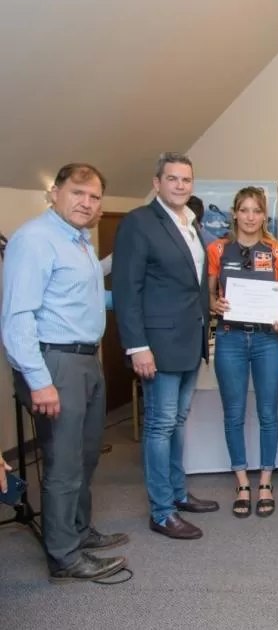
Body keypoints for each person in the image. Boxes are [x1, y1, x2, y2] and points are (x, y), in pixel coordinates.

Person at [1, 163, 128, 582]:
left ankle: (78, 529)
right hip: (55, 362)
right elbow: (17, 318)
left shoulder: (78, 243)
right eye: (78, 193)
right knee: (62, 461)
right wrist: (39, 381)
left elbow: (87, 296)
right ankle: (64, 555)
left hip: (86, 359)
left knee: (87, 454)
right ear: (55, 192)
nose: (86, 203)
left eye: (94, 198)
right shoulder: (35, 240)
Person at [113, 152, 219, 540]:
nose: (179, 185)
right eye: (172, 179)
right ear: (156, 183)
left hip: (189, 342)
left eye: (186, 180)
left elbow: (190, 288)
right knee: (159, 425)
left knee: (175, 422)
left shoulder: (190, 222)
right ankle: (161, 511)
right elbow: (127, 290)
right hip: (156, 345)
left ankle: (176, 493)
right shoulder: (138, 224)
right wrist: (136, 346)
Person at [208, 187, 278, 518]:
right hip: (230, 338)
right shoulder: (217, 249)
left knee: (268, 413)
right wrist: (215, 304)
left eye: (256, 210)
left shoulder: (277, 252)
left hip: (266, 341)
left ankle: (266, 481)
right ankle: (242, 481)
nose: (250, 217)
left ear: (264, 215)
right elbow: (210, 297)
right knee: (234, 412)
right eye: (244, 210)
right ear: (234, 213)